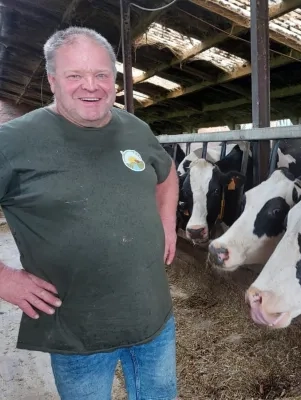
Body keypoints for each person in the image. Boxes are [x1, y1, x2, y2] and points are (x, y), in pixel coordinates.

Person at [0, 26, 179, 399]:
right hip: (77, 332)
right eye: (75, 75)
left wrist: (168, 225)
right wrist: (4, 279)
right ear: (52, 80)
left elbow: (167, 174)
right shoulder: (13, 141)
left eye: (101, 75)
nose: (91, 86)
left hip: (153, 320)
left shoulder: (135, 127)